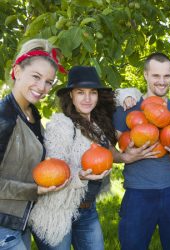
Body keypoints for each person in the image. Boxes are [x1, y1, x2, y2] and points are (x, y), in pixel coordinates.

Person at [29, 66, 138, 250]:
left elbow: (107, 152)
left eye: (92, 92)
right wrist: (79, 175)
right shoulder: (62, 124)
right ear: (71, 95)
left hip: (87, 209)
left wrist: (125, 156)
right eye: (81, 92)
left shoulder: (97, 123)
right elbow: (54, 170)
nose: (87, 99)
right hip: (57, 210)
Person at [113, 52, 170, 250]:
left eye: (166, 76)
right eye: (156, 76)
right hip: (138, 193)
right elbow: (107, 149)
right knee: (132, 245)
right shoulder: (127, 109)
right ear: (145, 75)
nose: (162, 81)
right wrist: (124, 156)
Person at [0, 38, 66, 250]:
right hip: (3, 227)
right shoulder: (4, 118)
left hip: (21, 222)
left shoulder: (32, 115)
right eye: (36, 77)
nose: (42, 87)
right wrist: (35, 190)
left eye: (49, 82)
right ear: (17, 71)